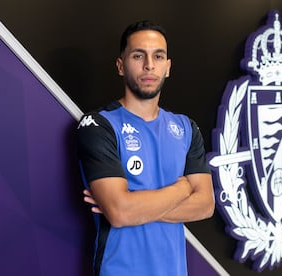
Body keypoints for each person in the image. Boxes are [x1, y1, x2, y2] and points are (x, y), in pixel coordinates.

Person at [77, 20, 215, 276]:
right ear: (121, 65)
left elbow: (205, 205)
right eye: (138, 55)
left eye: (158, 56)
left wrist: (135, 207)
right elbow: (120, 212)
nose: (149, 65)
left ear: (168, 67)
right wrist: (183, 188)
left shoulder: (185, 128)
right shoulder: (98, 124)